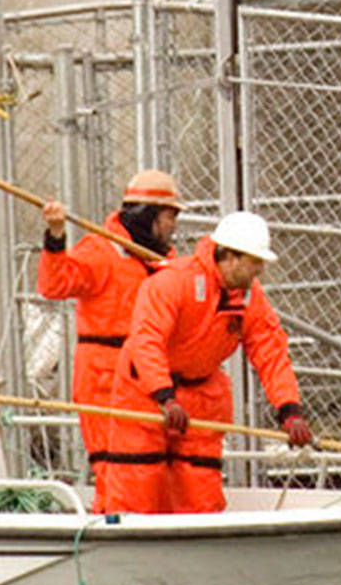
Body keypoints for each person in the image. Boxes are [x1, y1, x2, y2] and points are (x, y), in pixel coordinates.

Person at [102, 211, 313, 514]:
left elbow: (270, 351)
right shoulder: (174, 282)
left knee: (200, 491)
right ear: (229, 257)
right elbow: (147, 341)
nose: (261, 270)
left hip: (199, 396)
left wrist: (289, 410)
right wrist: (164, 395)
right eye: (255, 261)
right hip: (144, 396)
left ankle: (193, 549)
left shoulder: (249, 298)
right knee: (138, 482)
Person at [36, 169, 182, 512]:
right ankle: (113, 527)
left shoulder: (164, 261)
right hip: (104, 381)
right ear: (148, 215)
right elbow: (55, 285)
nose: (174, 225)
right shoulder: (101, 250)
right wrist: (56, 237)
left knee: (155, 471)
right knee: (115, 468)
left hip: (151, 381)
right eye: (169, 216)